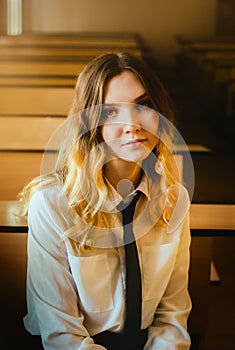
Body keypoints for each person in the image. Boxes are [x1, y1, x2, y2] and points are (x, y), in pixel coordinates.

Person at [18, 52, 193, 349]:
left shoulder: (174, 199)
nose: (133, 125)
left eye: (144, 104)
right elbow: (61, 334)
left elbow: (172, 318)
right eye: (111, 111)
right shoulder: (51, 204)